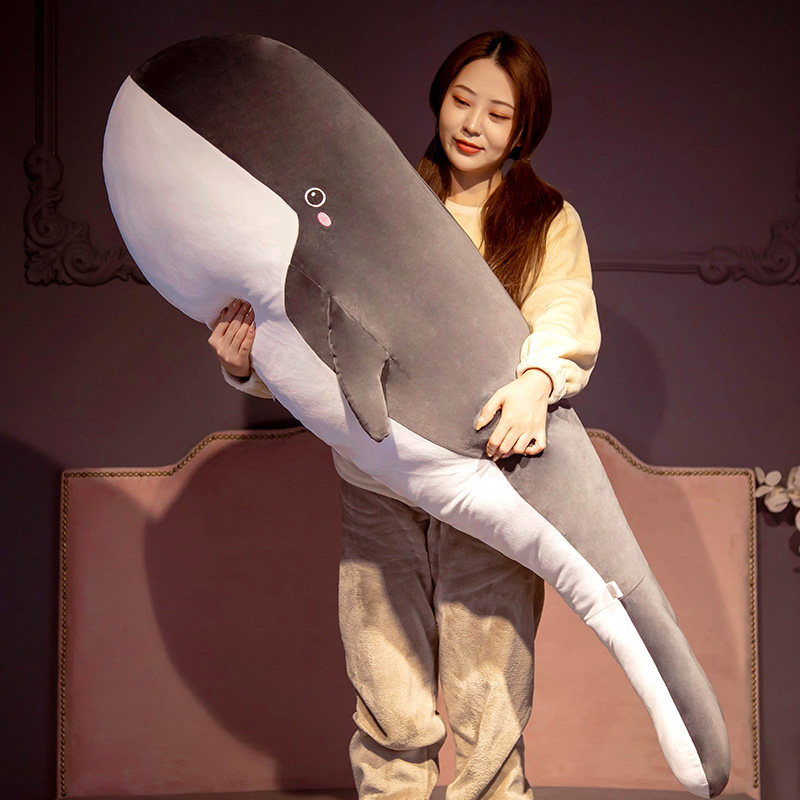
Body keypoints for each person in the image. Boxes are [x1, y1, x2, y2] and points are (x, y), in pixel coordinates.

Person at [208, 31, 600, 800]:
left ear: (523, 129)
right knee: (384, 678)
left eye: (498, 113)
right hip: (377, 476)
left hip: (488, 476)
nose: (473, 124)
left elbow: (562, 310)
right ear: (439, 98)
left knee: (490, 684)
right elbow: (324, 334)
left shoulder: (547, 220)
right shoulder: (373, 201)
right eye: (462, 100)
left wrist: (537, 382)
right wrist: (246, 365)